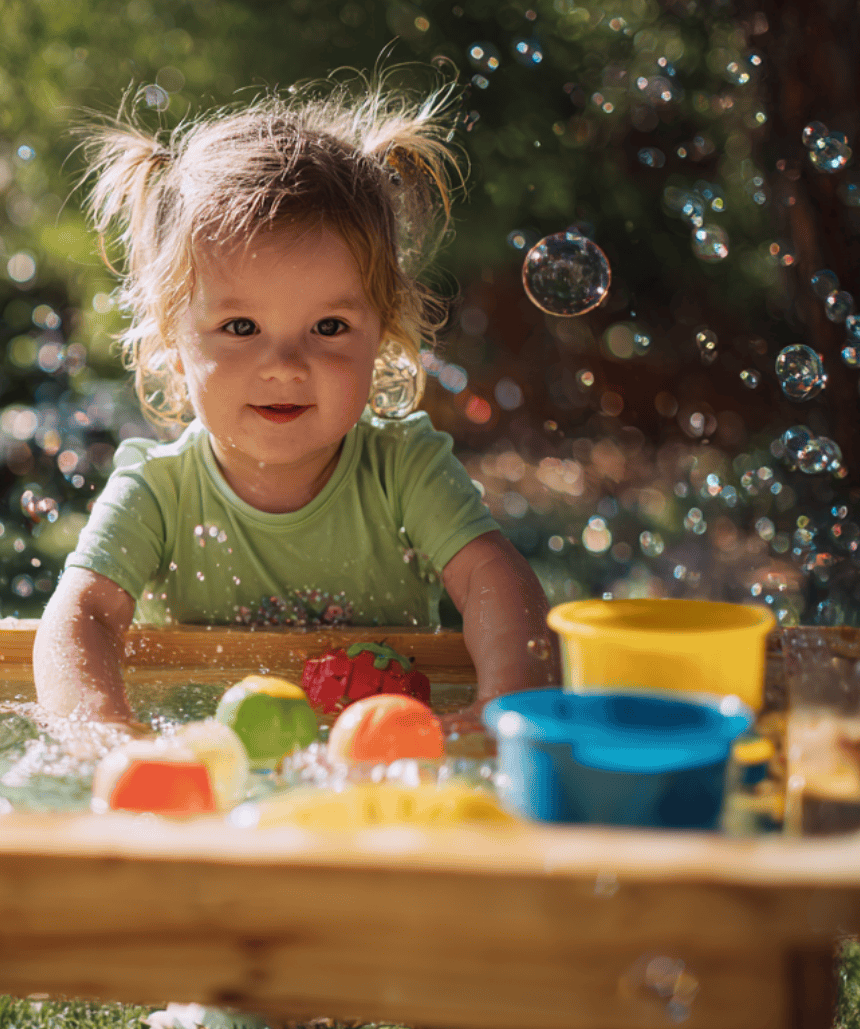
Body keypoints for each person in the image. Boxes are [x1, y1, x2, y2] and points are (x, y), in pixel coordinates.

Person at [34, 79, 558, 741]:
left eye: (330, 328)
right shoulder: (158, 491)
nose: (284, 365)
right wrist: (100, 726)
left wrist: (504, 705)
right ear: (172, 338)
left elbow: (495, 581)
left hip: (374, 760)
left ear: (386, 333)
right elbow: (80, 618)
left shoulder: (403, 471)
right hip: (219, 765)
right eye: (242, 328)